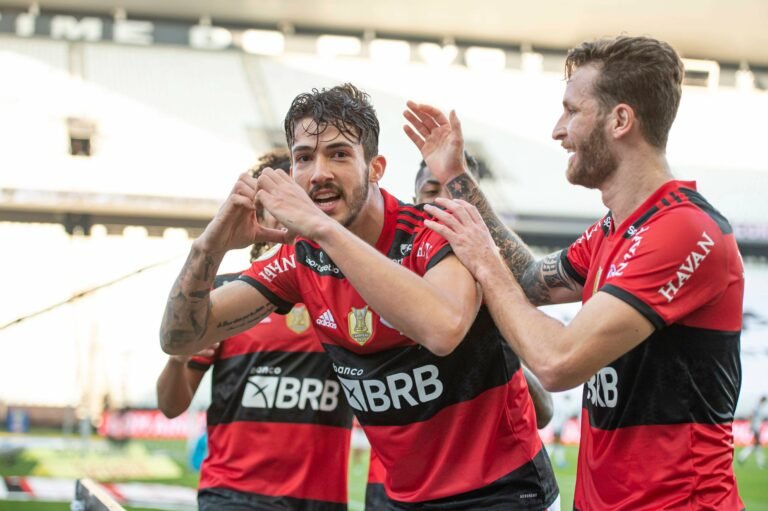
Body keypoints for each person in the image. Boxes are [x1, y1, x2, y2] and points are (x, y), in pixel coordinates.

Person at [160, 84, 559, 510]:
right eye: (303, 158)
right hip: (405, 499)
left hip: (502, 493)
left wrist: (322, 230)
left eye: (339, 154)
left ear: (376, 168)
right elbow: (181, 338)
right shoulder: (303, 259)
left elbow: (443, 329)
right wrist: (210, 246)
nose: (319, 173)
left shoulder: (434, 229)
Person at [404, 36, 745, 510]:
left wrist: (482, 257)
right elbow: (527, 278)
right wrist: (456, 177)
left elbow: (557, 362)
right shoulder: (613, 229)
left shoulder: (683, 229)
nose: (557, 130)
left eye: (571, 111)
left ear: (620, 120)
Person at [156, 149, 354, 511]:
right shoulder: (224, 295)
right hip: (235, 496)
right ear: (258, 213)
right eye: (278, 203)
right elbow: (171, 406)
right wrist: (176, 360)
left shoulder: (349, 290)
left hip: (319, 501)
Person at [414, 152, 554, 429]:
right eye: (431, 192)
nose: (444, 203)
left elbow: (544, 410)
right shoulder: (391, 272)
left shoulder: (495, 281)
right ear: (414, 199)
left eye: (457, 195)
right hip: (407, 458)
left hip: (499, 460)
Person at [738, 395, 766, 468]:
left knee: (756, 446)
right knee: (756, 445)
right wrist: (751, 426)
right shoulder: (757, 407)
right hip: (755, 429)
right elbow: (751, 416)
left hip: (756, 428)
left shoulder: (759, 407)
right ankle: (742, 457)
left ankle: (742, 457)